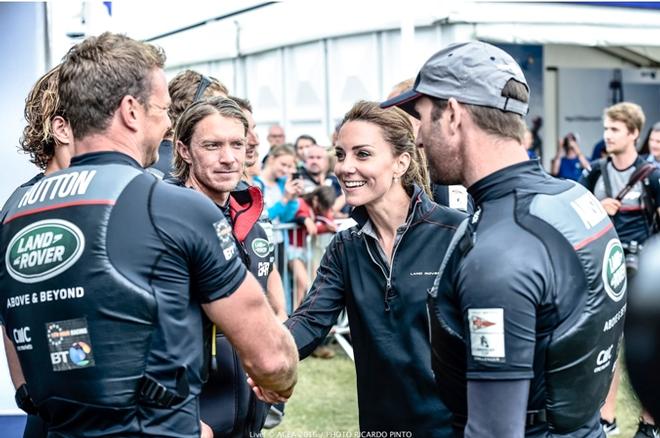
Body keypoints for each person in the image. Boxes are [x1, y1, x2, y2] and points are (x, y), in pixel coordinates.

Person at [0, 32, 298, 437]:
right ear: (131, 111)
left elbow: (16, 332)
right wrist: (280, 378)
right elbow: (271, 358)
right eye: (162, 109)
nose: (168, 122)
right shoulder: (172, 206)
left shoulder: (18, 211)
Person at [383, 41, 625, 437]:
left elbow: (495, 430)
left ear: (454, 115)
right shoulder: (573, 198)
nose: (420, 139)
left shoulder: (499, 250)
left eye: (423, 118)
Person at [280, 100, 465, 436]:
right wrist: (262, 358)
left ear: (400, 163)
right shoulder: (346, 247)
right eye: (340, 154)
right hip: (380, 428)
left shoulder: (457, 234)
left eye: (362, 154)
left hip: (452, 428)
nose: (345, 167)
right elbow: (308, 322)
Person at [170, 96, 282, 437]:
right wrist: (181, 418)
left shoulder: (252, 223)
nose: (228, 158)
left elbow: (271, 309)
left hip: (249, 422)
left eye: (237, 144)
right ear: (185, 150)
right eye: (212, 145)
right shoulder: (163, 222)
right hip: (193, 424)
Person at [1, 64, 74, 438]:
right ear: (59, 127)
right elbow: (8, 313)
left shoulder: (105, 195)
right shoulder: (21, 207)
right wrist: (24, 390)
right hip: (52, 409)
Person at [580, 102, 660, 437]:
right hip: (606, 267)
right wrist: (597, 209)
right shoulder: (595, 173)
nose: (607, 135)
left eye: (614, 129)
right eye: (606, 128)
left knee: (648, 346)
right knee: (608, 342)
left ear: (633, 134)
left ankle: (649, 423)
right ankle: (607, 419)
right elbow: (573, 218)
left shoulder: (652, 176)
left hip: (644, 273)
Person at [149, 69, 228, 178]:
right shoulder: (191, 173)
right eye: (222, 111)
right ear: (193, 115)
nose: (229, 120)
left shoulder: (145, 162)